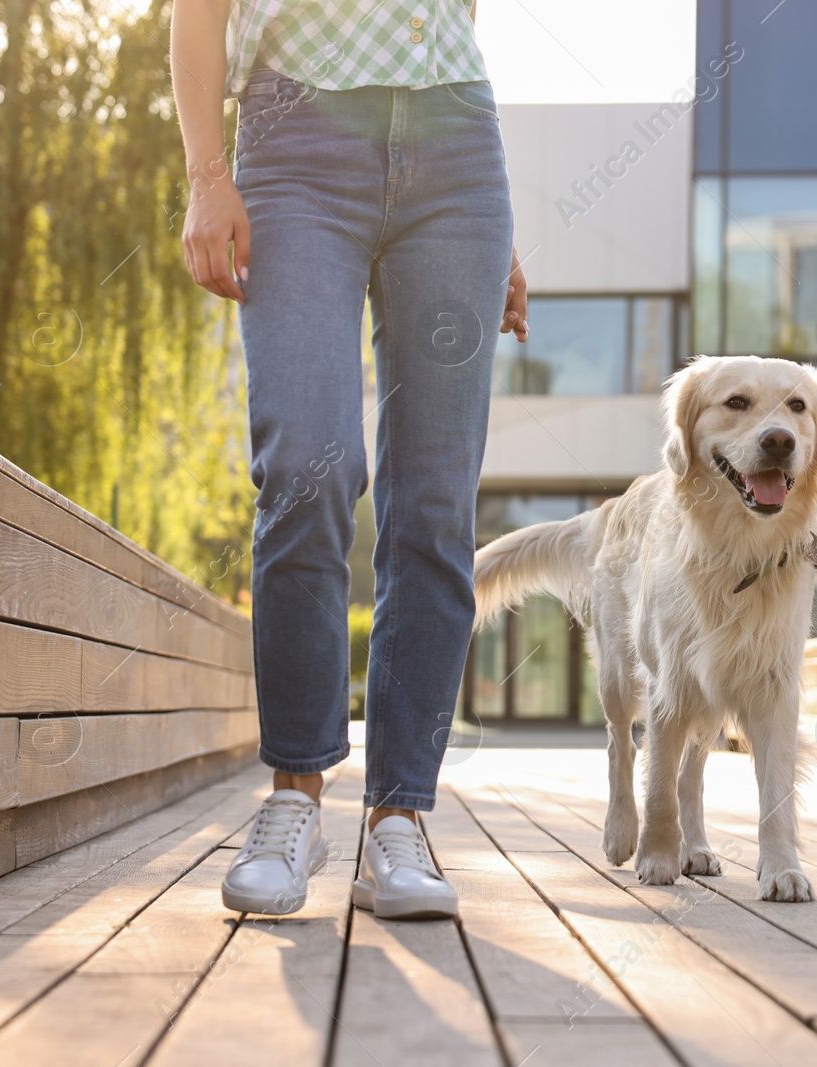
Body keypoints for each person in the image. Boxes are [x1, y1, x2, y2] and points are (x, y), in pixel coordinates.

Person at [171, 0, 527, 918]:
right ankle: (295, 799)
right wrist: (208, 176)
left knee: (437, 500)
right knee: (305, 465)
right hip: (296, 144)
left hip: (458, 148)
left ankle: (398, 818)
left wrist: (497, 244)